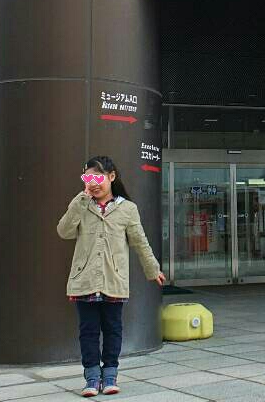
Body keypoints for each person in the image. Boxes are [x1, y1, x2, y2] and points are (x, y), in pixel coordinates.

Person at [57, 155, 165, 397]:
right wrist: (82, 198)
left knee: (113, 330)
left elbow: (140, 242)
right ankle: (91, 377)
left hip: (114, 280)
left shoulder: (127, 209)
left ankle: (110, 376)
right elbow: (64, 231)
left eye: (98, 177)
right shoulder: (82, 205)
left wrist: (152, 269)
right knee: (88, 332)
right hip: (84, 280)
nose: (93, 183)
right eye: (88, 178)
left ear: (111, 176)